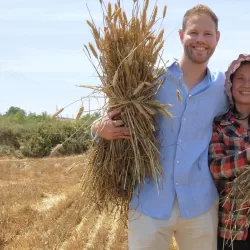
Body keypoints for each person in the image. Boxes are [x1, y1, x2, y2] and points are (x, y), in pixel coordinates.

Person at [91, 4, 228, 250]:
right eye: (193, 32)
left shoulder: (223, 87)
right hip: (148, 201)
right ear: (180, 35)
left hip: (200, 205)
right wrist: (98, 130)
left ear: (217, 38)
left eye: (207, 34)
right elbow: (108, 118)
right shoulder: (148, 81)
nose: (200, 40)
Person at [209, 54, 250, 250]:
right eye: (240, 78)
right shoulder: (220, 124)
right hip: (233, 228)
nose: (246, 84)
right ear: (230, 84)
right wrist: (247, 157)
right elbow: (216, 168)